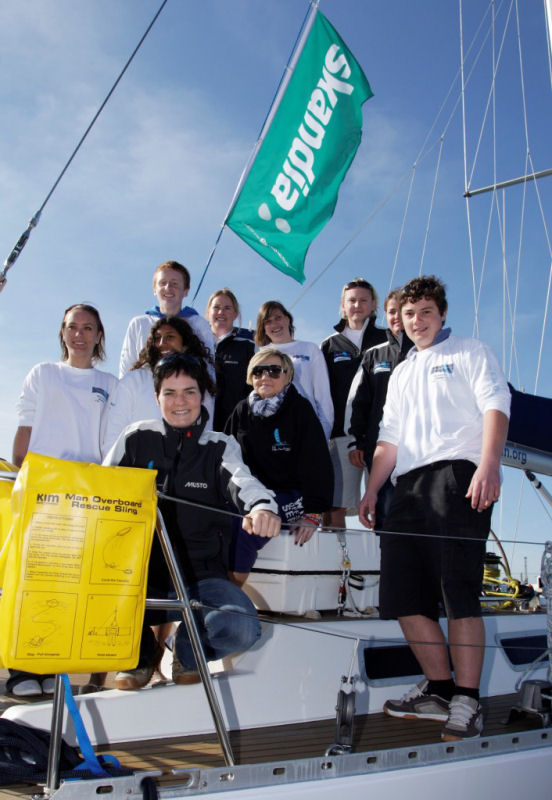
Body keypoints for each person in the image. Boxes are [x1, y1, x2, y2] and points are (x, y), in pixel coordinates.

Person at [359, 275, 511, 741]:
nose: (417, 320)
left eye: (426, 311)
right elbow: (390, 439)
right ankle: (440, 689)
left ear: (442, 314)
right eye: (409, 314)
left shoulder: (470, 351)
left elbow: (495, 405)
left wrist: (490, 464)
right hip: (406, 488)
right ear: (399, 321)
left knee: (457, 590)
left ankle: (468, 700)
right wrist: (370, 491)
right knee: (403, 598)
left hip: (458, 477)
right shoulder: (401, 371)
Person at [104, 352, 281, 690]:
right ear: (157, 398)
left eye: (189, 392)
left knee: (242, 627)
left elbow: (243, 482)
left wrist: (261, 508)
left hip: (201, 582)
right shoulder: (135, 437)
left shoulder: (219, 446)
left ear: (203, 396)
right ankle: (140, 655)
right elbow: (98, 489)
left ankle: (186, 651)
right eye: (169, 393)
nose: (179, 402)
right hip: (139, 580)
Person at [10, 304, 117, 698]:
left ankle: (53, 663)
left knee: (70, 585)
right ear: (63, 332)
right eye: (73, 327)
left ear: (98, 335)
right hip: (44, 490)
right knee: (33, 581)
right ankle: (22, 668)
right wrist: (23, 475)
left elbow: (110, 441)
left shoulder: (110, 382)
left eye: (88, 328)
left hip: (87, 495)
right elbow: (25, 427)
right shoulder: (44, 373)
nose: (79, 335)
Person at [225, 349, 334, 585]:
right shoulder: (241, 410)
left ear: (288, 376)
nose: (265, 376)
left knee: (249, 527)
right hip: (252, 495)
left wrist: (313, 513)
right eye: (258, 371)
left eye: (274, 371)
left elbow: (317, 463)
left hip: (291, 495)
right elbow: (225, 457)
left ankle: (231, 596)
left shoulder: (300, 409)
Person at [321, 278, 386, 530]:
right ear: (342, 305)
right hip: (341, 437)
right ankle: (334, 563)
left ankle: (383, 565)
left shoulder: (388, 338)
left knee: (382, 500)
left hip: (382, 436)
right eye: (352, 300)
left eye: (363, 300)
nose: (357, 305)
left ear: (373, 305)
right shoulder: (329, 345)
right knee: (336, 503)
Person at [104, 315, 216, 454]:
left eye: (170, 337)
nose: (162, 343)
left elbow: (205, 435)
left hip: (184, 471)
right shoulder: (134, 380)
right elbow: (114, 434)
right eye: (157, 338)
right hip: (137, 471)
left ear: (185, 344)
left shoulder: (199, 384)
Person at [348, 289, 412, 527]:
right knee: (385, 514)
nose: (396, 317)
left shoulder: (428, 353)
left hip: (420, 454)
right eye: (391, 311)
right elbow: (359, 402)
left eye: (401, 311)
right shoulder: (374, 355)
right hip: (381, 452)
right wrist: (357, 441)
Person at [118, 260, 215, 378]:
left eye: (175, 284)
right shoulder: (139, 324)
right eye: (162, 283)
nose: (168, 288)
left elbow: (208, 370)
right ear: (154, 289)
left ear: (186, 291)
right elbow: (126, 368)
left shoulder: (198, 324)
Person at [255, 301, 333, 439]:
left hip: (306, 427)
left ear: (288, 318)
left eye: (278, 317)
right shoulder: (259, 354)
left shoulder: (310, 349)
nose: (274, 324)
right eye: (268, 321)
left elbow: (323, 396)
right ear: (263, 328)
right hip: (271, 429)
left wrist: (323, 435)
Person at [206, 288, 255, 431]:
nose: (221, 312)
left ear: (235, 314)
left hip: (235, 428)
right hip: (200, 428)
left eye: (227, 308)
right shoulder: (195, 343)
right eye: (216, 307)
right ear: (208, 312)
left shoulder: (248, 346)